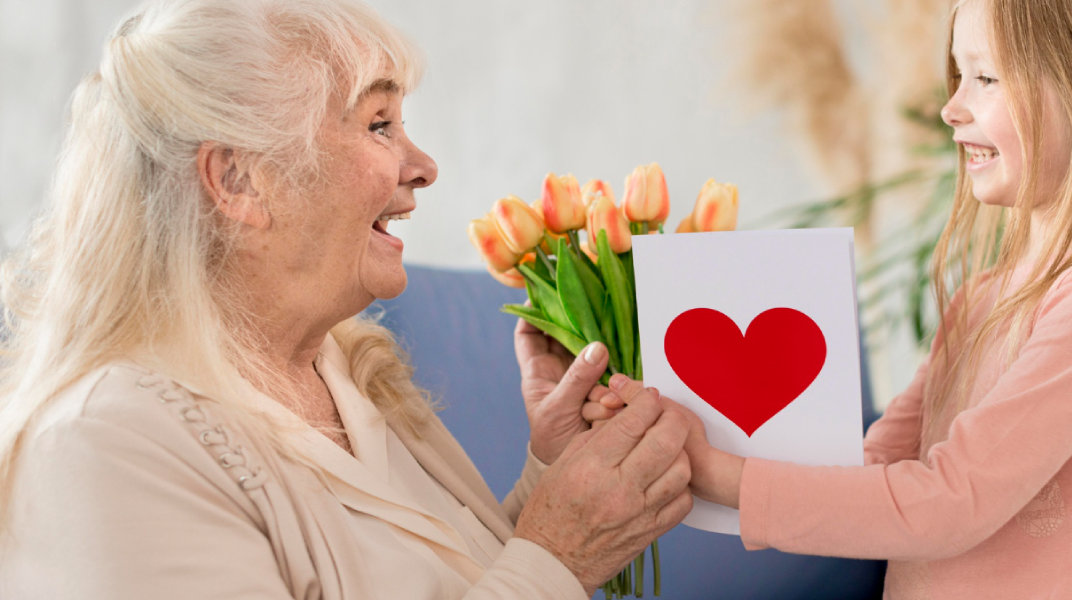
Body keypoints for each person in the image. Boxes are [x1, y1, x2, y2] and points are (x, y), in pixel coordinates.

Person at [0, 1, 693, 598]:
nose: (422, 167)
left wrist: (554, 486)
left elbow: (454, 579)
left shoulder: (345, 370)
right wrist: (560, 558)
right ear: (239, 180)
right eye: (378, 124)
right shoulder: (106, 447)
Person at [587, 0, 1072, 597]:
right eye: (959, 76)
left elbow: (952, 502)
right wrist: (675, 438)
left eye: (985, 77)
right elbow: (873, 476)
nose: (952, 107)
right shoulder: (985, 297)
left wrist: (720, 474)